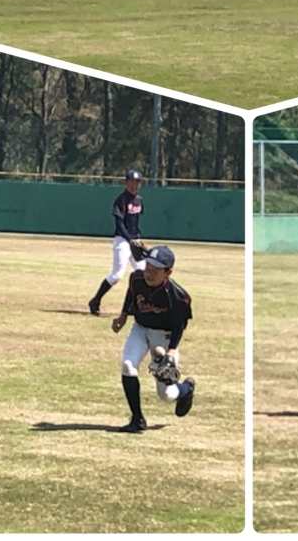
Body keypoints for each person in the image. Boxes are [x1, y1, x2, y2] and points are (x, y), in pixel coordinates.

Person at [111, 245, 195, 432]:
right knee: (127, 366)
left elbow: (179, 325)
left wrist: (171, 352)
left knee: (166, 395)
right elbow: (132, 292)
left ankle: (187, 389)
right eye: (148, 266)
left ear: (168, 272)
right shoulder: (137, 278)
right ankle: (137, 419)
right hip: (140, 329)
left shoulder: (178, 297)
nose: (149, 272)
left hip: (164, 337)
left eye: (155, 270)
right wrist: (123, 315)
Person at [88, 169, 146, 315]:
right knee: (117, 275)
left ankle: (134, 307)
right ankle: (95, 300)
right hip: (122, 241)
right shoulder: (121, 200)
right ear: (126, 183)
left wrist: (138, 238)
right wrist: (130, 239)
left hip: (135, 241)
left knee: (143, 273)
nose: (134, 185)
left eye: (137, 182)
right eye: (131, 182)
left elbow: (135, 222)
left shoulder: (139, 200)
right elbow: (119, 224)